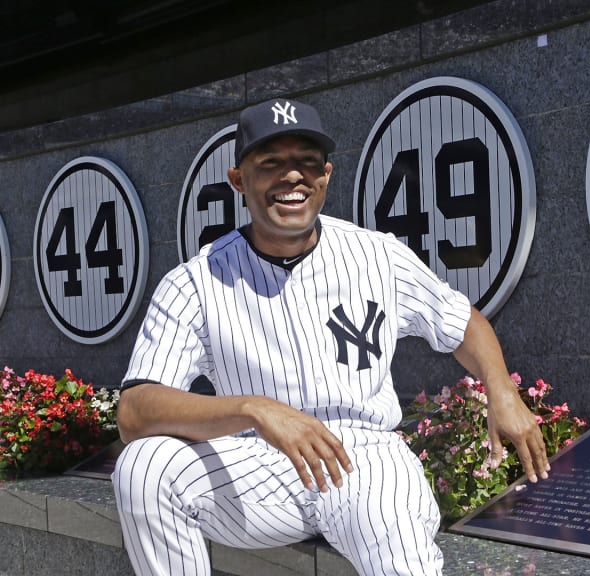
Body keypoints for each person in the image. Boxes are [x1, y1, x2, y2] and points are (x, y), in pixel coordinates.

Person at [112, 98, 549, 576]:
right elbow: (136, 412)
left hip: (363, 459)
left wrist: (501, 390)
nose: (292, 177)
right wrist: (254, 409)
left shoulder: (377, 255)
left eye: (306, 162)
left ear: (326, 175)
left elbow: (461, 320)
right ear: (239, 180)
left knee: (397, 542)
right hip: (258, 467)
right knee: (144, 467)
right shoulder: (195, 280)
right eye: (271, 163)